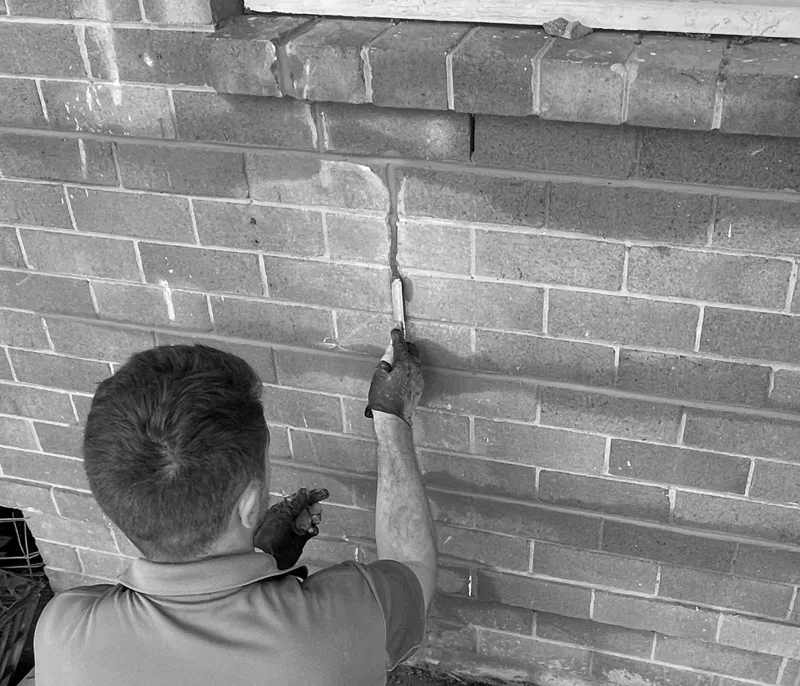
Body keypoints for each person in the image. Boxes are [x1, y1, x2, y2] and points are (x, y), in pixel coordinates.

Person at [33, 328, 437, 685]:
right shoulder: (337, 625)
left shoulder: (63, 634)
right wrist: (391, 419)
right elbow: (413, 572)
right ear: (248, 505)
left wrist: (261, 554)